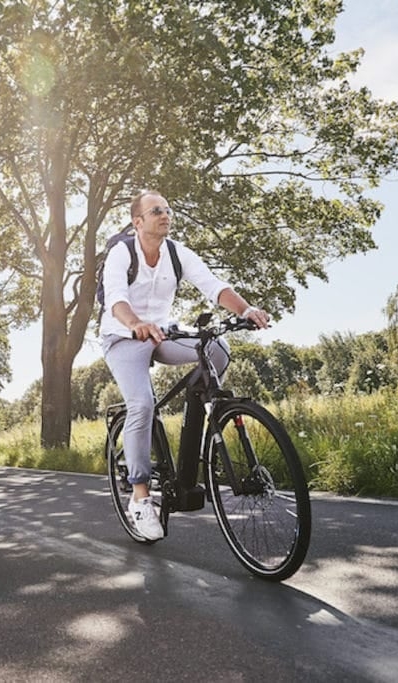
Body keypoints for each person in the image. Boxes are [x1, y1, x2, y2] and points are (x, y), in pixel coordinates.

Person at [99, 190, 270, 540]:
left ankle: (199, 411)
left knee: (217, 349)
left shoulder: (177, 253)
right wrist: (134, 323)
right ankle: (141, 498)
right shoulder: (121, 252)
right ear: (138, 221)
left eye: (168, 208)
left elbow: (213, 285)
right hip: (123, 338)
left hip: (162, 334)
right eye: (156, 210)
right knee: (142, 405)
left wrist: (247, 310)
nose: (165, 214)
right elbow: (115, 297)